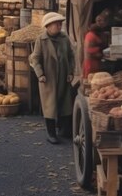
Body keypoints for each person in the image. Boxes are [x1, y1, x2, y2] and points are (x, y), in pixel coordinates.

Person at [29, 12, 75, 144]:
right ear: (48, 26)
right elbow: (35, 58)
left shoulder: (64, 38)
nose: (59, 26)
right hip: (48, 78)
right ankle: (51, 133)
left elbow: (71, 56)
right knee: (50, 106)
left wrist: (71, 72)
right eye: (57, 24)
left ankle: (64, 130)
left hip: (64, 77)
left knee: (65, 104)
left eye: (60, 23)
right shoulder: (41, 40)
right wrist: (40, 74)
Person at [83, 12, 110, 78]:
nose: (100, 22)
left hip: (95, 61)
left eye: (102, 20)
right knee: (90, 78)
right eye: (99, 20)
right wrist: (100, 52)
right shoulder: (91, 35)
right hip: (91, 62)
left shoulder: (98, 33)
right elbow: (89, 51)